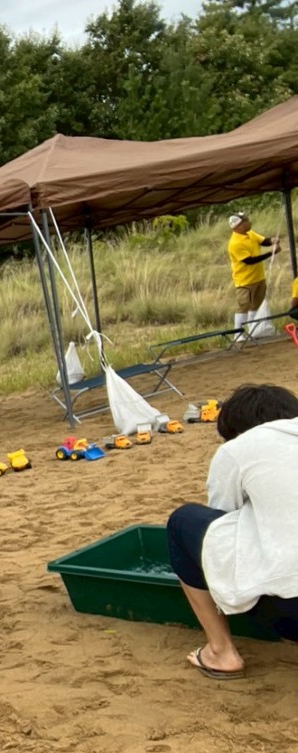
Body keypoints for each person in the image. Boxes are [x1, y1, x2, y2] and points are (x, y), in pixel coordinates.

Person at [166, 383, 298, 680]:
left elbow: (223, 518)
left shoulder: (238, 449)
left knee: (182, 521)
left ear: (235, 429)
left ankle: (221, 651)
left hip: (291, 611)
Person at [227, 212, 282, 340]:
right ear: (238, 226)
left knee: (256, 305)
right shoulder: (235, 243)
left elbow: (263, 241)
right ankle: (238, 334)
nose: (249, 223)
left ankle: (253, 331)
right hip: (245, 281)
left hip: (259, 277)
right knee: (244, 306)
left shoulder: (250, 234)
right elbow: (249, 260)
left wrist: (272, 241)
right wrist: (271, 253)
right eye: (246, 221)